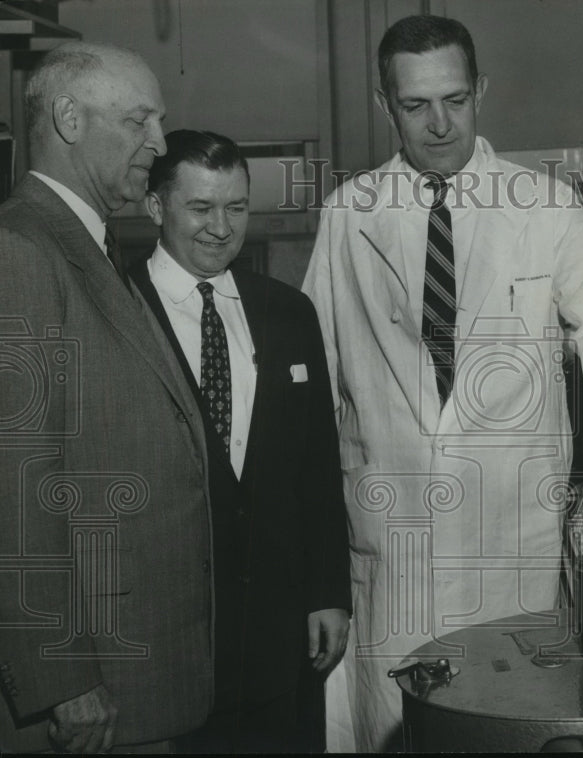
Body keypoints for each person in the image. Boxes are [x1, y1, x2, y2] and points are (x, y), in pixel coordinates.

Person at [303, 14, 583, 752]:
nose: (439, 124)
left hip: (509, 541)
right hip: (392, 539)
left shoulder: (546, 207)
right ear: (384, 104)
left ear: (482, 91)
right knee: (400, 737)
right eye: (415, 106)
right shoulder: (348, 217)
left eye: (456, 100)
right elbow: (311, 379)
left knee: (509, 727)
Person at [0, 43, 214, 752]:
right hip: (92, 690)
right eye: (138, 120)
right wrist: (59, 676)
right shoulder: (22, 251)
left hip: (138, 670)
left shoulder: (83, 244)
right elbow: (15, 482)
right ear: (67, 117)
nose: (157, 142)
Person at [129, 129, 353, 753]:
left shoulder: (288, 312)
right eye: (200, 208)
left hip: (283, 645)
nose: (221, 228)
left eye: (236, 207)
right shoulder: (116, 310)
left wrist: (328, 594)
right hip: (168, 649)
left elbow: (317, 466)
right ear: (155, 207)